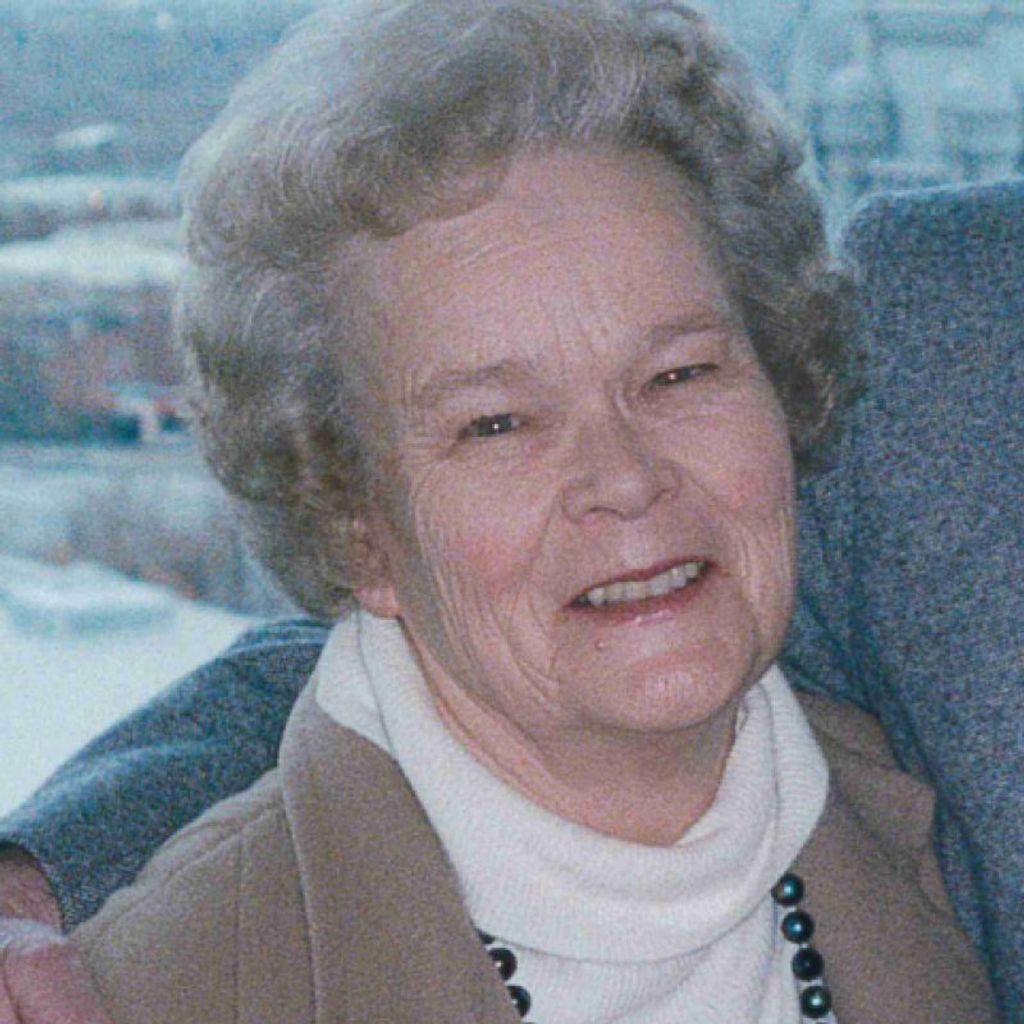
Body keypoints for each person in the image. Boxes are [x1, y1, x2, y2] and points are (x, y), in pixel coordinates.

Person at [0, 0, 1003, 1021]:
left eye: (681, 372)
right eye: (496, 425)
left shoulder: (906, 841)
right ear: (353, 525)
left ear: (785, 387)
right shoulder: (163, 992)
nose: (625, 477)